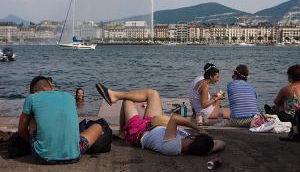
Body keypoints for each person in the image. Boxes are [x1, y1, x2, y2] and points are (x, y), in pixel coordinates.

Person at [96, 83, 225, 156]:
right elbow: (221, 143)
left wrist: (198, 128)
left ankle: (122, 130)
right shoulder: (192, 145)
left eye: (194, 135)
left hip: (139, 132)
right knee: (153, 94)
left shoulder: (173, 146)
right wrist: (209, 149)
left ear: (193, 138)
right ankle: (114, 96)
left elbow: (175, 119)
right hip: (153, 124)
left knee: (128, 101)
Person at [18, 76, 105, 164]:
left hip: (43, 156)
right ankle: (69, 145)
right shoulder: (69, 96)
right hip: (74, 155)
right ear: (51, 87)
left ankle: (44, 146)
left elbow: (21, 130)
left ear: (35, 91)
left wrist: (31, 141)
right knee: (97, 127)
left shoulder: (32, 98)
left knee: (32, 116)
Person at [265, 64, 300, 141]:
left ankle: (293, 131)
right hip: (297, 115)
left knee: (277, 105)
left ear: (290, 76)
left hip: (293, 117)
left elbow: (276, 102)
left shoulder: (287, 88)